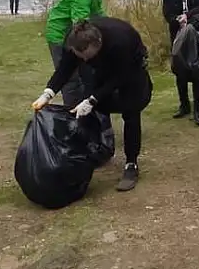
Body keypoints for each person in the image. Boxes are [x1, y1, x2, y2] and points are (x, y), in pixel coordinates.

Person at [32, 17, 152, 192]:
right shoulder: (75, 40)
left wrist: (92, 99)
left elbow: (121, 76)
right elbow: (65, 67)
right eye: (79, 56)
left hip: (131, 71)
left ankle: (131, 164)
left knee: (131, 113)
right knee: (87, 112)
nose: (83, 60)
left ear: (97, 44)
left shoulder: (121, 39)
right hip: (103, 70)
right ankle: (89, 154)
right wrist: (47, 93)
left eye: (85, 56)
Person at [43, 0, 115, 108]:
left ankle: (87, 111)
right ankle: (73, 117)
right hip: (60, 35)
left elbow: (97, 13)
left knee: (87, 76)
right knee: (70, 79)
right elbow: (82, 24)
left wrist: (112, 28)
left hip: (74, 32)